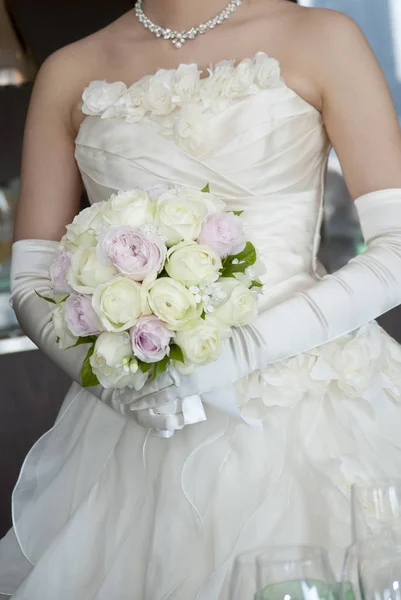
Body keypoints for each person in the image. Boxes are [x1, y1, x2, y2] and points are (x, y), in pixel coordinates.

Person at [1, 0, 401, 597]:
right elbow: (30, 279)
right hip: (135, 416)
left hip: (312, 399)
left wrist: (246, 350)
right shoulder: (71, 69)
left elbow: (396, 247)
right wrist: (108, 382)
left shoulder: (320, 37)